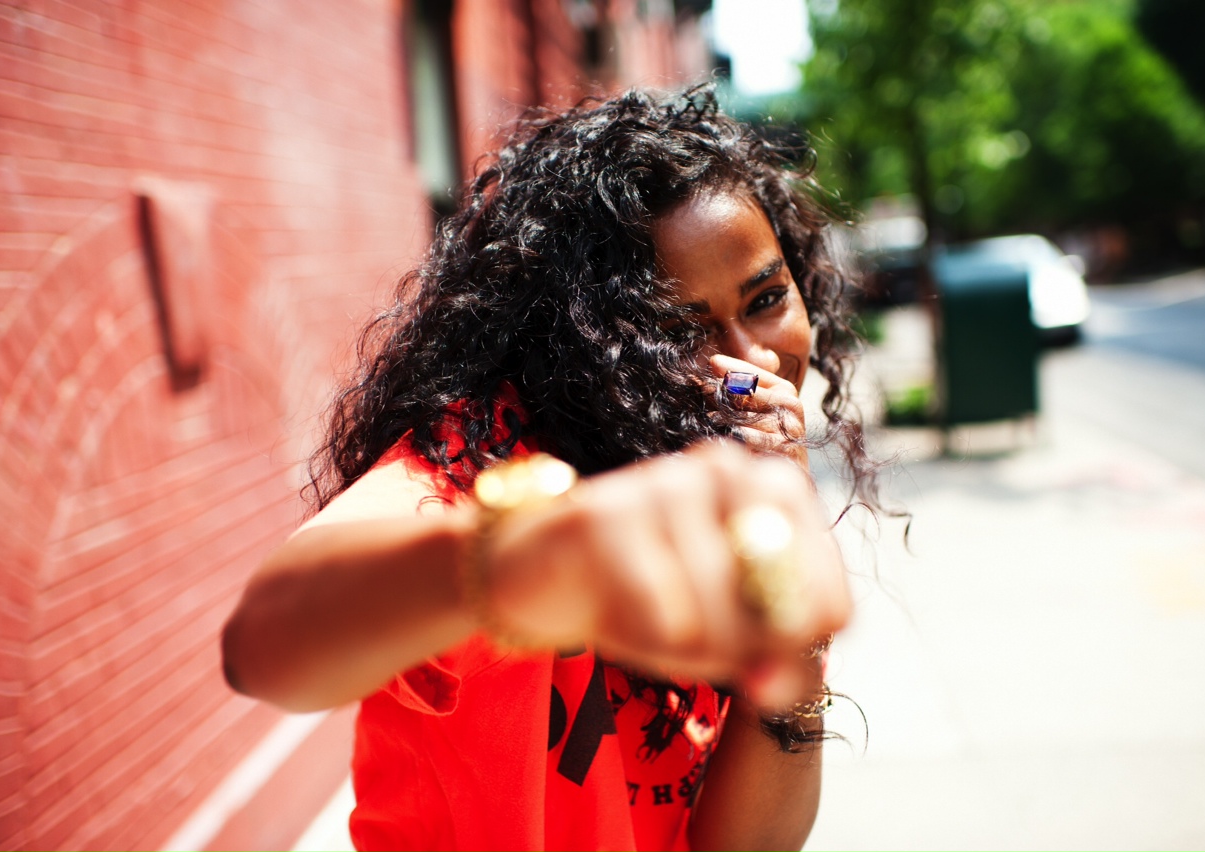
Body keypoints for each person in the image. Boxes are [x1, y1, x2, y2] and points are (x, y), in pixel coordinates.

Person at [221, 86, 880, 852]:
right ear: (586, 336)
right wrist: (512, 563)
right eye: (677, 330)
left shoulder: (733, 482)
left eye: (765, 298)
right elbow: (262, 650)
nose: (752, 363)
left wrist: (793, 636)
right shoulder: (486, 460)